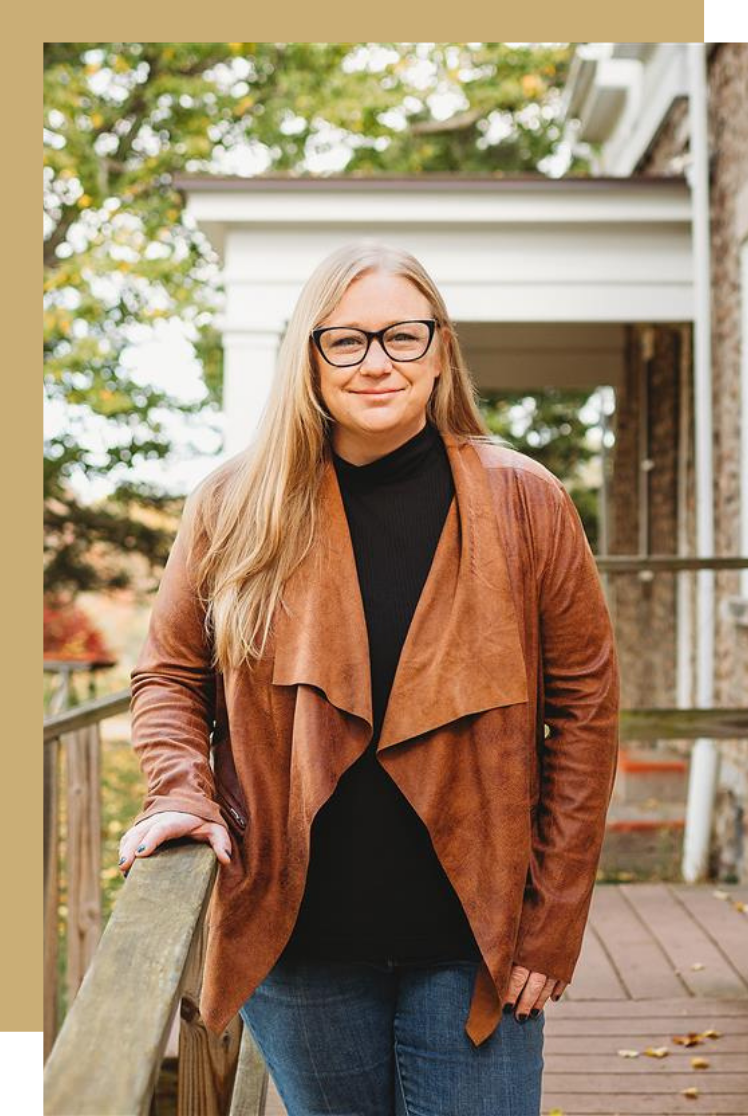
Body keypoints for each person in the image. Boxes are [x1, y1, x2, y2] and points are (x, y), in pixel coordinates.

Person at [119, 242, 620, 1115]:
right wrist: (180, 792)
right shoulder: (234, 506)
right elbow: (168, 673)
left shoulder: (526, 500)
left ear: (440, 348)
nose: (377, 362)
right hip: (298, 935)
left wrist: (556, 913)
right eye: (346, 340)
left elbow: (585, 711)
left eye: (402, 335)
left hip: (476, 939)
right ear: (308, 356)